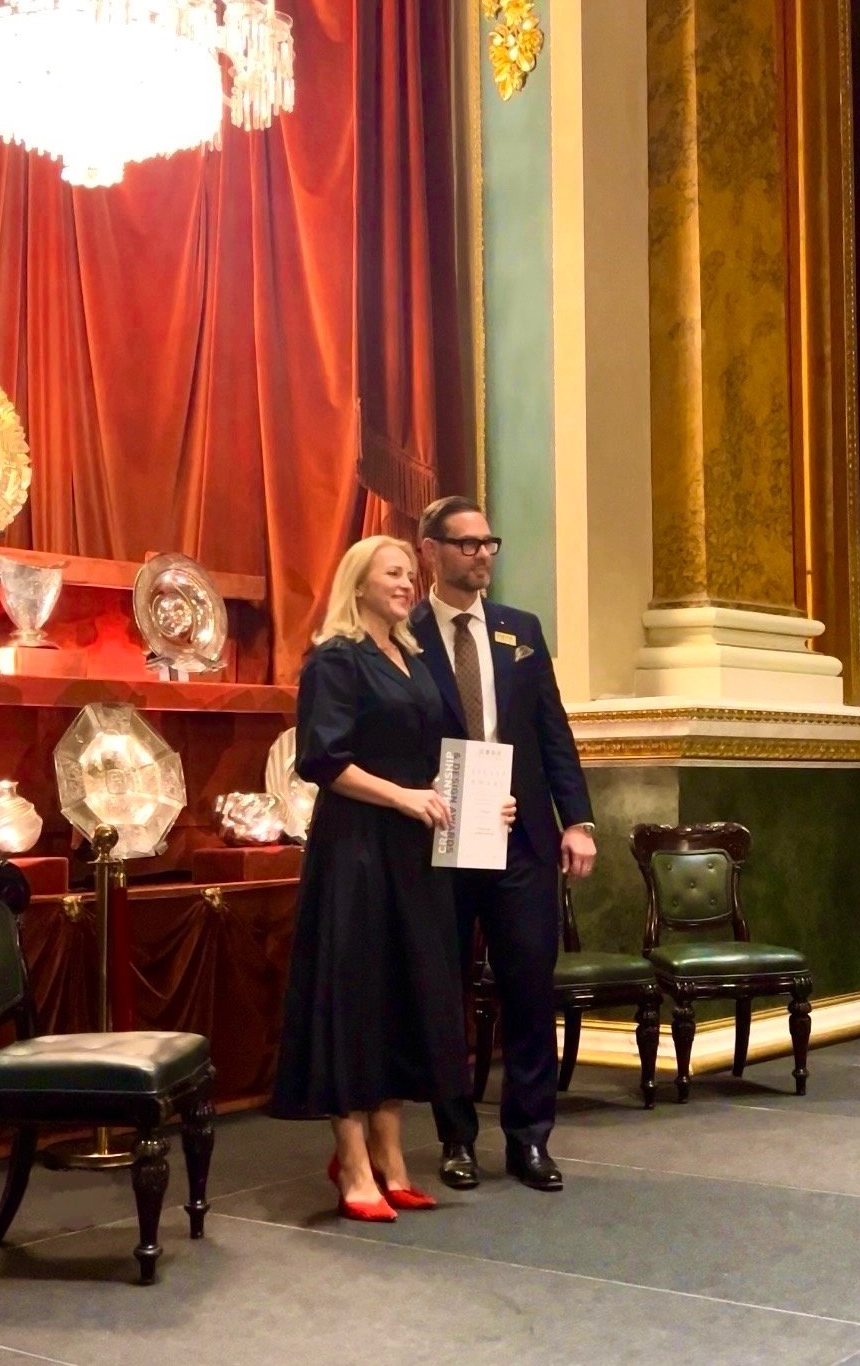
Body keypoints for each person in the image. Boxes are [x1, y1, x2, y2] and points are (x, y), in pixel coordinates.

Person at [270, 534, 515, 1223]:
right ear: (360, 581)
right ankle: (352, 1163)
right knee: (357, 998)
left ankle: (392, 1157)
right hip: (356, 848)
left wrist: (478, 802)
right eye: (394, 573)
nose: (408, 582)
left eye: (412, 572)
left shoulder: (410, 658)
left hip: (414, 853)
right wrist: (405, 798)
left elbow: (431, 760)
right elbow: (323, 761)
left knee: (408, 996)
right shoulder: (335, 659)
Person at [410, 496, 596, 1193]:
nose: (482, 555)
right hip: (437, 836)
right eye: (466, 544)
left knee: (527, 987)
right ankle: (456, 1137)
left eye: (490, 542)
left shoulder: (521, 630)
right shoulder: (405, 630)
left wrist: (575, 821)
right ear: (431, 550)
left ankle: (530, 1139)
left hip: (521, 840)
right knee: (444, 991)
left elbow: (553, 732)